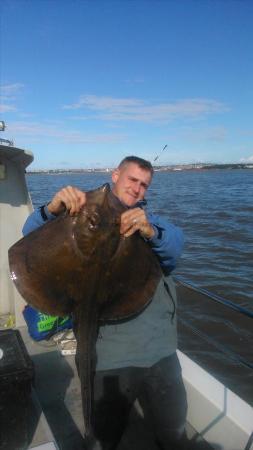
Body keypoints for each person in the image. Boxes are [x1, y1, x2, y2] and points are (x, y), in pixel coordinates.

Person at [23, 156, 187, 450]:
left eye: (144, 185)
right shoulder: (77, 212)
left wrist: (151, 231)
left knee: (173, 433)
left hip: (161, 351)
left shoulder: (149, 222)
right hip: (112, 355)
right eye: (132, 180)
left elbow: (174, 247)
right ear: (115, 175)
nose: (137, 189)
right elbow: (30, 233)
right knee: (102, 439)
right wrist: (51, 209)